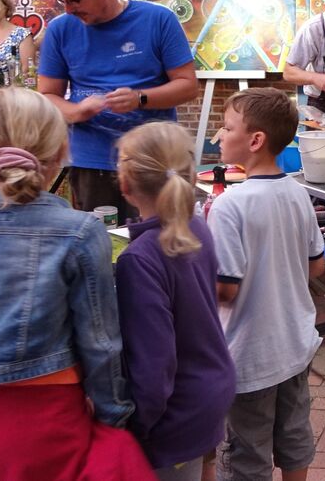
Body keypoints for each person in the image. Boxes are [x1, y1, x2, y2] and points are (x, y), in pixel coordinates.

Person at [0, 88, 155, 479]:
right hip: (54, 433)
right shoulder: (80, 233)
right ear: (63, 150)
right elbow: (100, 345)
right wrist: (114, 419)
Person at [205, 88, 325, 481]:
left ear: (255, 140)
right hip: (294, 346)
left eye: (227, 128)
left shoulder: (229, 205)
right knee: (294, 440)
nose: (219, 136)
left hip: (249, 357)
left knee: (247, 457)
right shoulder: (297, 192)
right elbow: (317, 266)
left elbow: (225, 289)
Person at [37, 0, 199, 225]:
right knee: (103, 241)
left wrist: (140, 98)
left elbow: (187, 86)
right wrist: (77, 112)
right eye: (63, 1)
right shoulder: (60, 30)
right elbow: (47, 96)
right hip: (92, 162)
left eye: (75, 0)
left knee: (164, 237)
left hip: (155, 158)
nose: (69, 10)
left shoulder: (158, 19)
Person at [115, 121, 237, 480]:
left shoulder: (139, 259)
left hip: (173, 417)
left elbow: (153, 367)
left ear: (125, 184)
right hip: (209, 392)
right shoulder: (195, 226)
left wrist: (135, 429)